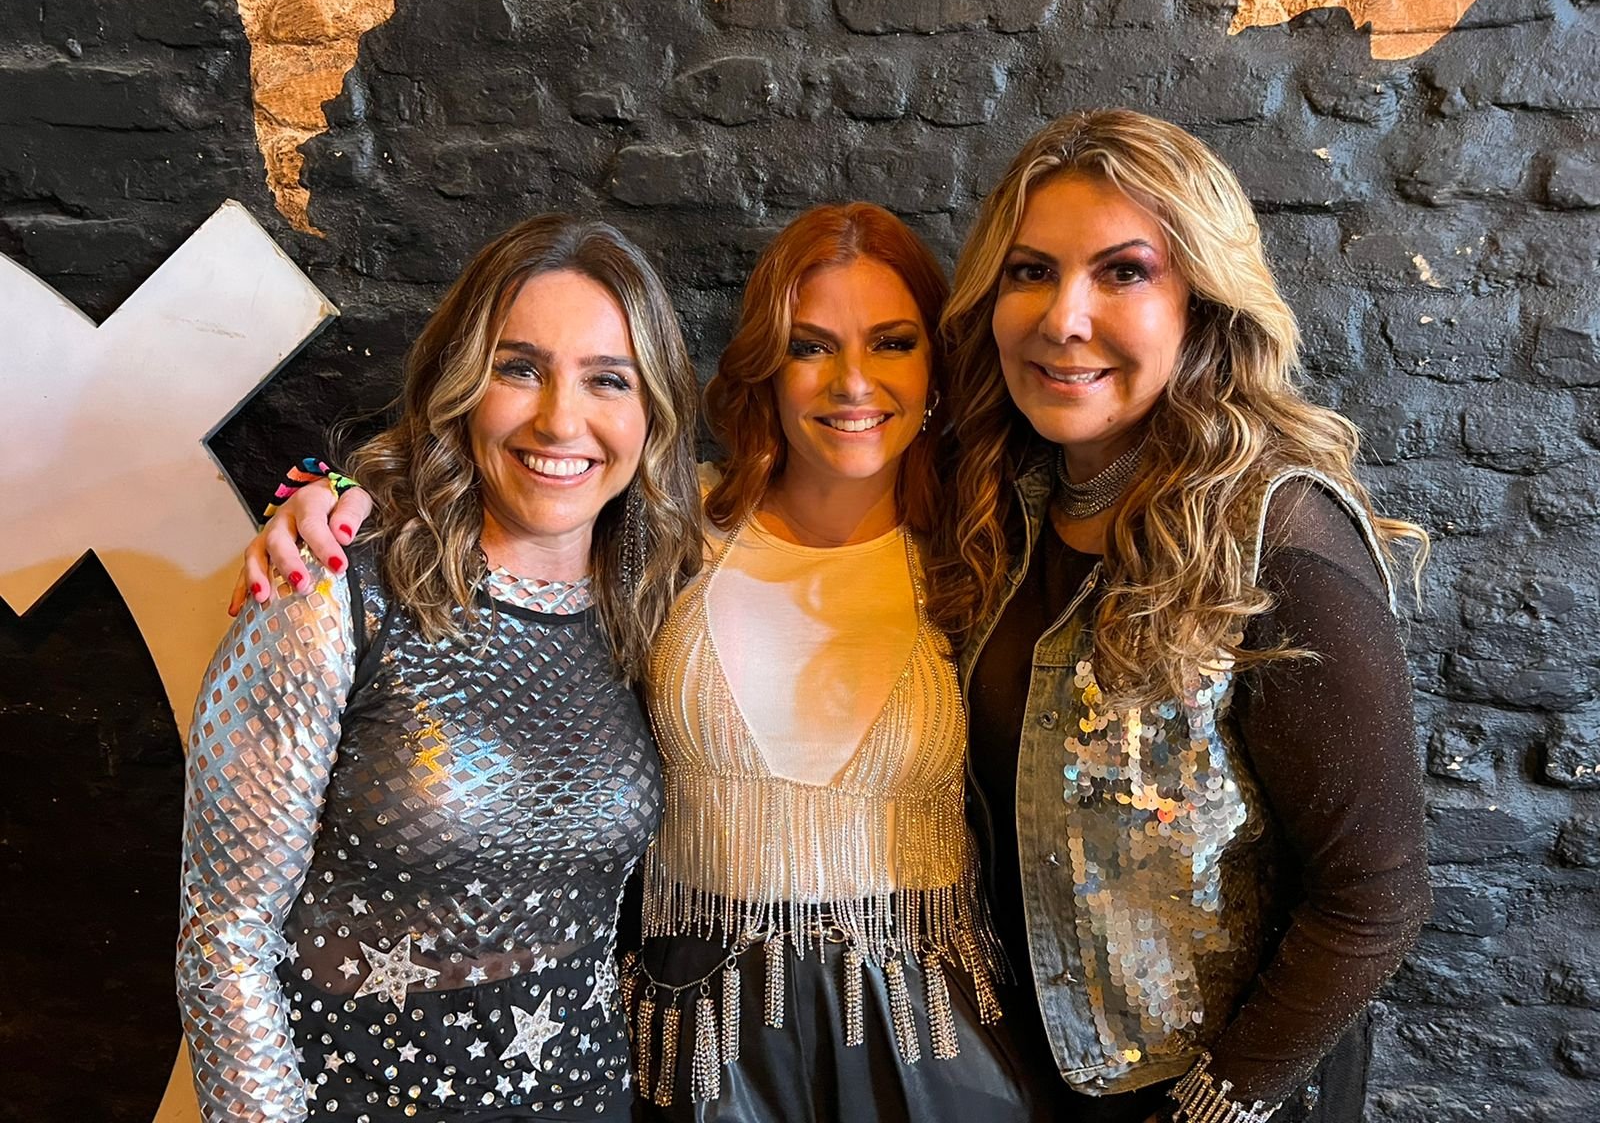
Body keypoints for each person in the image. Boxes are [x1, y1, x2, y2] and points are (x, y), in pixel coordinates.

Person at [241, 204, 1051, 1123]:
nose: (853, 381)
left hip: (932, 1039)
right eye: (810, 346)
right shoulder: (669, 530)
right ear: (767, 367)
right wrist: (330, 494)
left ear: (938, 367)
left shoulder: (989, 550)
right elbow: (506, 515)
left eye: (894, 343)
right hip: (697, 1045)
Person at [929, 109, 1432, 1123]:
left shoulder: (1276, 534)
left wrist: (1206, 1110)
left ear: (1200, 302)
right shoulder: (1004, 508)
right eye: (1030, 272)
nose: (1063, 319)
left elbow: (1374, 900)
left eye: (1123, 273)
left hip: (1217, 1097)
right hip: (1023, 1082)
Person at [176, 215, 703, 1122]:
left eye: (607, 379)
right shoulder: (331, 585)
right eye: (519, 368)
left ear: (651, 411)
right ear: (461, 384)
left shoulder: (659, 600)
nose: (560, 420)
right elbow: (224, 940)